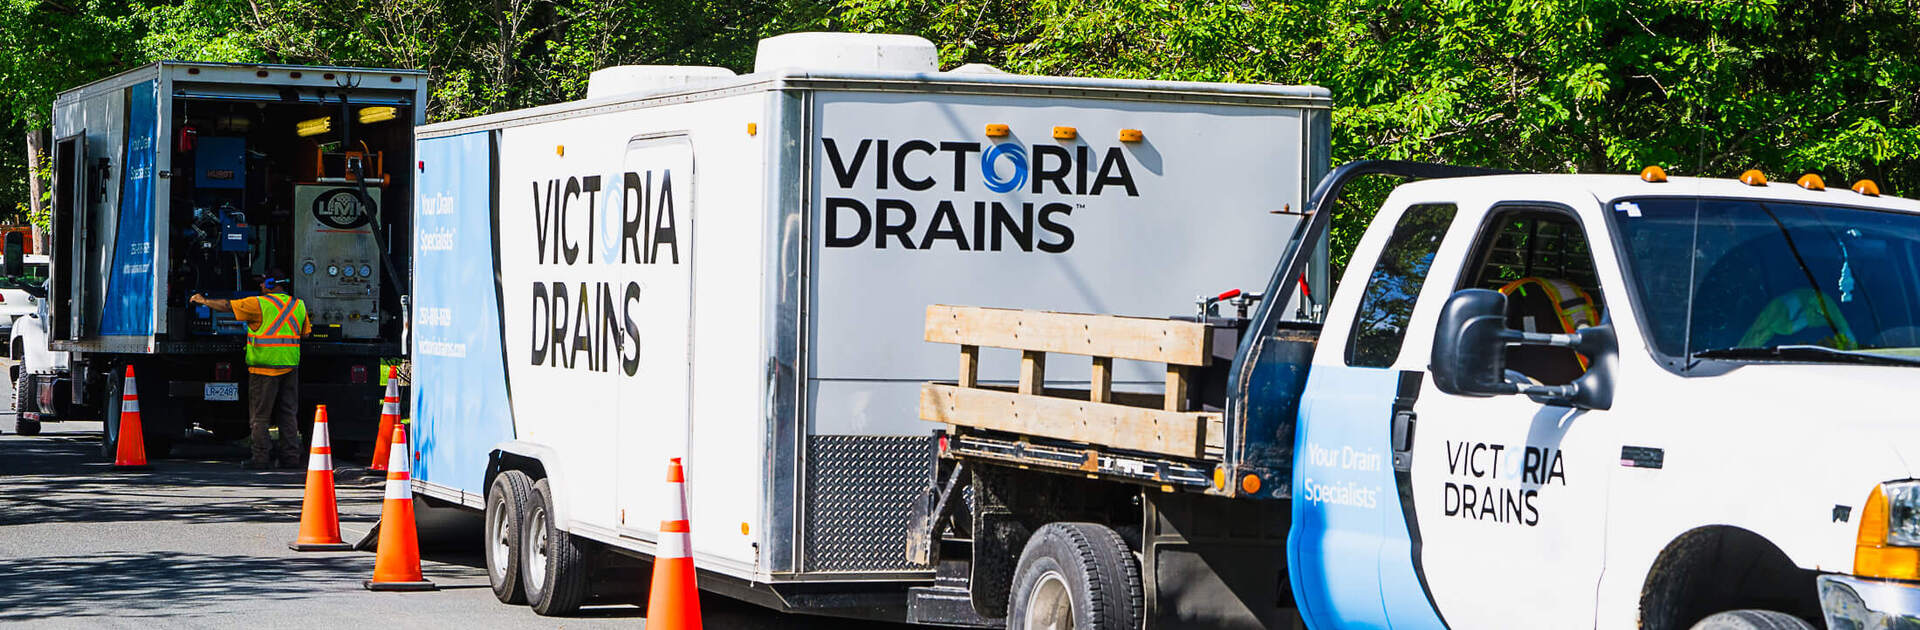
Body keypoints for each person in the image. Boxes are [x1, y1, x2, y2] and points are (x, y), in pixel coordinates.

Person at [191, 271, 311, 469]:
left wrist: (203, 300)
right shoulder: (298, 305)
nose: (260, 286)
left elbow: (227, 306)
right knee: (288, 413)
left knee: (260, 417)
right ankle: (290, 457)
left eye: (263, 283)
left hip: (264, 369)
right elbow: (305, 334)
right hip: (290, 367)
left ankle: (260, 457)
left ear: (271, 283)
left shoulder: (258, 304)